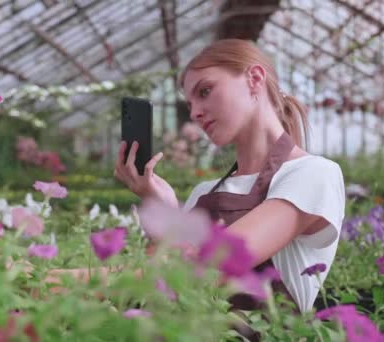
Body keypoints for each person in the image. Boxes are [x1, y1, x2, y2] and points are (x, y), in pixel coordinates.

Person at [48, 39, 345, 317]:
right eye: (189, 104)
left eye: (204, 91)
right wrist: (159, 203)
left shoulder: (312, 174)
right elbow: (163, 284)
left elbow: (208, 265)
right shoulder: (205, 192)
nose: (195, 113)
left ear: (254, 79)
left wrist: (52, 282)